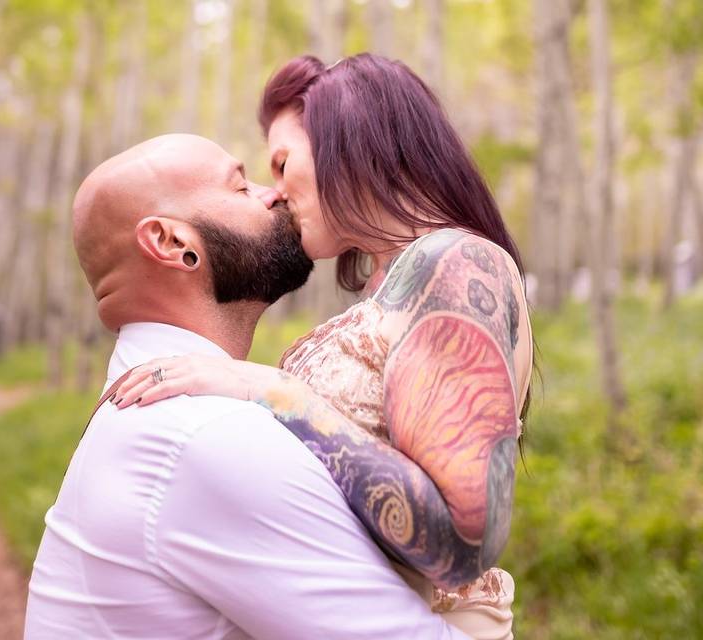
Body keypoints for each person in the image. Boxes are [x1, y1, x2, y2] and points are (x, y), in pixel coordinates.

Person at [111, 54, 534, 640]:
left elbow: (462, 546)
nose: (277, 193)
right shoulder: (391, 285)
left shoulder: (456, 264)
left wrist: (271, 391)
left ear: (348, 139)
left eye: (283, 163)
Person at [23, 133, 470, 639]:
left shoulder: (164, 412)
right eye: (240, 187)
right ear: (173, 244)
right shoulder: (203, 432)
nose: (273, 193)